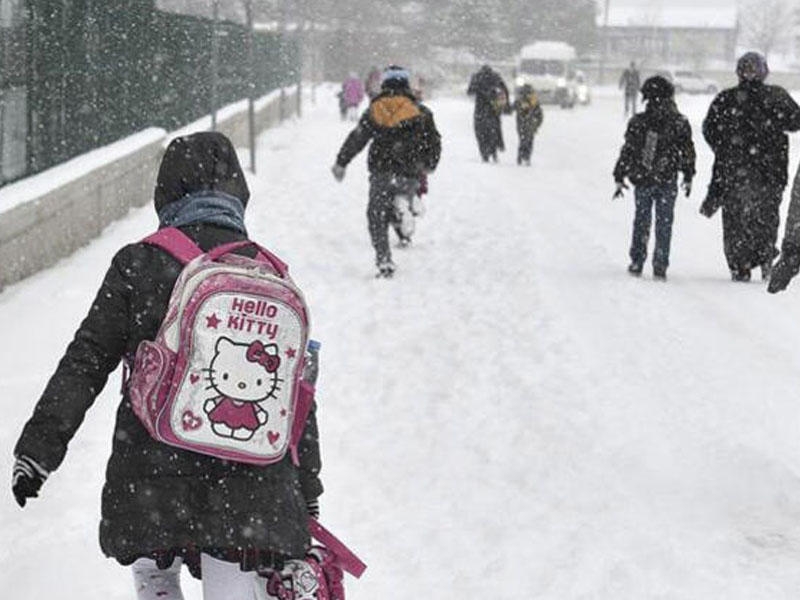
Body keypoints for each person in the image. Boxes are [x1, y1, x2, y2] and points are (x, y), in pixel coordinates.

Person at [11, 132, 323, 599]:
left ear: (166, 193)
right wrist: (307, 487)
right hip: (249, 481)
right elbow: (294, 394)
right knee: (233, 575)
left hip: (151, 468)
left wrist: (39, 450)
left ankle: (157, 583)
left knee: (155, 571)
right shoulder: (268, 273)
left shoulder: (139, 263)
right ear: (237, 193)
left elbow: (87, 359)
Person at [331, 65, 441, 278]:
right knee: (400, 198)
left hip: (382, 170)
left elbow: (358, 138)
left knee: (377, 214)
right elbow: (433, 142)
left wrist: (341, 162)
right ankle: (406, 208)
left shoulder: (375, 109)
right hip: (410, 171)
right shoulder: (421, 112)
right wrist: (429, 164)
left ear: (385, 84)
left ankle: (384, 260)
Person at [701, 52, 800, 282]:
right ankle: (764, 256)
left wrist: (725, 147)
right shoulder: (776, 97)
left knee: (736, 219)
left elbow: (710, 130)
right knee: (765, 217)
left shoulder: (727, 99)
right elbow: (796, 121)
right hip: (770, 171)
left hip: (735, 171)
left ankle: (740, 263)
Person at [612, 75, 695, 281]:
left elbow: (628, 150)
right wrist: (688, 173)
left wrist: (620, 173)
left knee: (642, 220)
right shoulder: (679, 122)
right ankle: (660, 263)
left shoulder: (639, 122)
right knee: (664, 222)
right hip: (667, 178)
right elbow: (687, 150)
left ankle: (637, 260)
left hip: (643, 178)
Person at [467, 64, 509, 162]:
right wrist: (506, 105)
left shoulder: (477, 77)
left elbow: (470, 91)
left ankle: (484, 153)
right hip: (493, 109)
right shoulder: (496, 77)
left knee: (480, 132)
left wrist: (479, 90)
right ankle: (494, 150)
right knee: (494, 130)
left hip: (480, 109)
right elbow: (505, 90)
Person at [512, 83, 544, 166]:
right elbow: (540, 115)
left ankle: (522, 156)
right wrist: (537, 123)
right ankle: (525, 157)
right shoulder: (533, 102)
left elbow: (511, 108)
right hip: (530, 125)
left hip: (524, 125)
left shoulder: (521, 101)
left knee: (524, 140)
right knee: (528, 141)